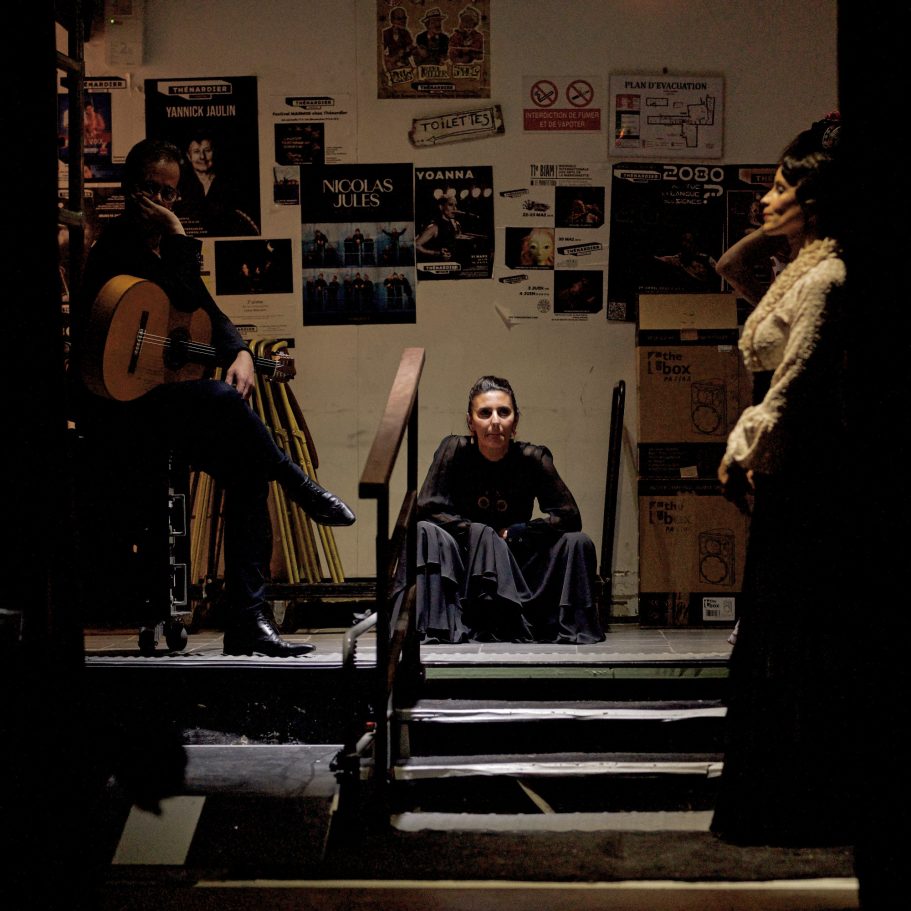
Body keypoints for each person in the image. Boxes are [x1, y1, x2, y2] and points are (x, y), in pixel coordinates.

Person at [70, 138, 356, 658]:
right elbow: (177, 294)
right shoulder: (117, 247)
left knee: (248, 471)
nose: (162, 202)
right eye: (153, 190)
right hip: (120, 414)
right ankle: (297, 482)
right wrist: (179, 234)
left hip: (164, 408)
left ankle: (248, 620)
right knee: (225, 400)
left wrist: (241, 351)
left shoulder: (162, 249)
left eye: (171, 194)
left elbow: (205, 309)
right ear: (132, 190)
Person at [709, 115, 857, 846]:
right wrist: (783, 226)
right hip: (786, 469)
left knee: (790, 629)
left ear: (813, 200)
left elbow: (791, 383)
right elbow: (730, 266)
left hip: (805, 470)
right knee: (770, 624)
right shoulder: (795, 271)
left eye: (777, 188)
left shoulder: (826, 277)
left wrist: (741, 449)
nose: (763, 200)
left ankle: (796, 803)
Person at [410, 375, 605, 644]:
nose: (495, 421)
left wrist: (517, 532)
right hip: (466, 565)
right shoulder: (454, 450)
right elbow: (427, 507)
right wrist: (478, 533)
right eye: (485, 413)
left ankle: (561, 624)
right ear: (470, 422)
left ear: (515, 422)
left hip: (516, 563)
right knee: (423, 530)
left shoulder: (532, 457)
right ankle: (441, 624)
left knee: (578, 541)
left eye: (503, 412)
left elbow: (570, 516)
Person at [177, 132, 260, 236]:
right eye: (196, 152)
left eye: (207, 150)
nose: (202, 156)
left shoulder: (232, 184)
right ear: (188, 156)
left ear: (215, 152)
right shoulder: (180, 185)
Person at [415, 194, 461, 261]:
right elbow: (416, 245)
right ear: (441, 207)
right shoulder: (434, 227)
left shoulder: (455, 224)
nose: (455, 208)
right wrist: (436, 253)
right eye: (450, 205)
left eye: (455, 205)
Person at [382, 5, 415, 70]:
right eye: (399, 19)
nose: (403, 21)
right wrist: (391, 59)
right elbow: (380, 53)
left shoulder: (406, 33)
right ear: (392, 20)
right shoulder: (386, 33)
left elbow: (410, 48)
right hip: (392, 64)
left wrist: (408, 50)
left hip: (404, 64)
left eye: (404, 18)